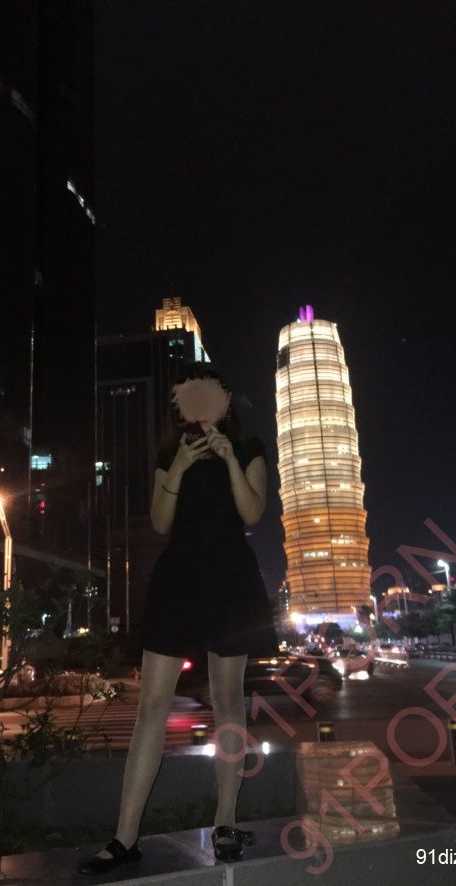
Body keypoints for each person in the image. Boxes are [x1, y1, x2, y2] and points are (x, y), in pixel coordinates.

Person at [77, 364, 279, 874]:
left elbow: (252, 512)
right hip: (178, 579)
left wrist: (228, 459)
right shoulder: (171, 454)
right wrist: (181, 468)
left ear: (225, 401)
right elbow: (160, 521)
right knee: (151, 706)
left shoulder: (249, 447)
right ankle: (125, 837)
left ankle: (226, 820)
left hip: (229, 578)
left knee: (227, 699)